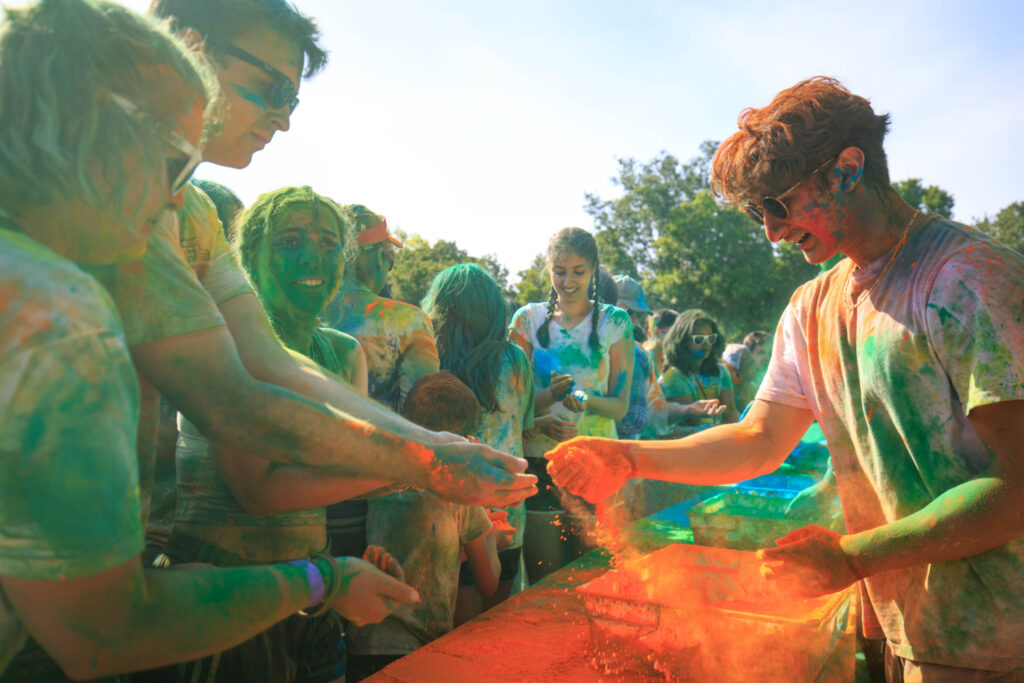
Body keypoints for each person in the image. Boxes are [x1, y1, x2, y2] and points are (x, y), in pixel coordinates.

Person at [546, 76, 1024, 679]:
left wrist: (851, 556)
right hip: (893, 621)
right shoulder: (811, 306)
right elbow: (759, 439)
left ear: (848, 169)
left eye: (778, 204)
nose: (771, 230)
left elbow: (1021, 486)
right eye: (756, 212)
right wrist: (627, 457)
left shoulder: (969, 280)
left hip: (998, 639)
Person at [0, 2, 414, 679]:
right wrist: (334, 566)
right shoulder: (59, 315)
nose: (172, 203)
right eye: (171, 165)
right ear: (97, 129)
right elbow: (106, 628)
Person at [79, 0, 534, 547]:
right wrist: (424, 460)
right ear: (188, 47)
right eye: (271, 88)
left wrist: (431, 446)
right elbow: (235, 396)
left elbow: (269, 359)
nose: (285, 119)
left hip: (107, 552)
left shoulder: (194, 214)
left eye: (291, 99)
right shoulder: (82, 183)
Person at [159, 186, 385, 681]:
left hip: (314, 598)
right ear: (249, 258)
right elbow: (256, 491)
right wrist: (406, 469)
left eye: (329, 243)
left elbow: (344, 475)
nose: (313, 256)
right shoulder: (222, 339)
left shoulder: (346, 354)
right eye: (289, 240)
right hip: (221, 599)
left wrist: (360, 563)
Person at [346, 372, 500, 682]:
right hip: (420, 647)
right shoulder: (459, 489)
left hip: (364, 639)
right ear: (462, 440)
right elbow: (488, 583)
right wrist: (497, 540)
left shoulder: (381, 475)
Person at [509, 227, 635, 581]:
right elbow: (511, 402)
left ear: (593, 270)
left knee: (590, 576)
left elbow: (620, 407)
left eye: (578, 272)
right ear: (548, 269)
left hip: (595, 461)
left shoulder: (615, 322)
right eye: (559, 271)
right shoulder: (526, 320)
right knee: (544, 580)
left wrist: (582, 399)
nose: (568, 281)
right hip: (539, 461)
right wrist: (539, 420)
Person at [421, 264, 535, 612]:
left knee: (455, 635)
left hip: (449, 515)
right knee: (498, 626)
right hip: (507, 509)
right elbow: (525, 425)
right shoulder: (515, 361)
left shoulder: (428, 361)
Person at [321, 204, 440, 411]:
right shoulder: (409, 322)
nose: (387, 269)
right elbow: (423, 416)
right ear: (379, 256)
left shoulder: (300, 313)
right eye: (389, 260)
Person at [613, 275, 723, 440]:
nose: (634, 321)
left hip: (625, 453)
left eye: (639, 314)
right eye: (629, 312)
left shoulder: (640, 356)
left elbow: (650, 408)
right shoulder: (575, 346)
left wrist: (686, 410)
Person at [658, 309, 739, 429]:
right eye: (699, 339)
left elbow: (730, 412)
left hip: (714, 435)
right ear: (682, 341)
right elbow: (692, 420)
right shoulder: (673, 376)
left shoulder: (720, 371)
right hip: (685, 441)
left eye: (711, 338)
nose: (706, 344)